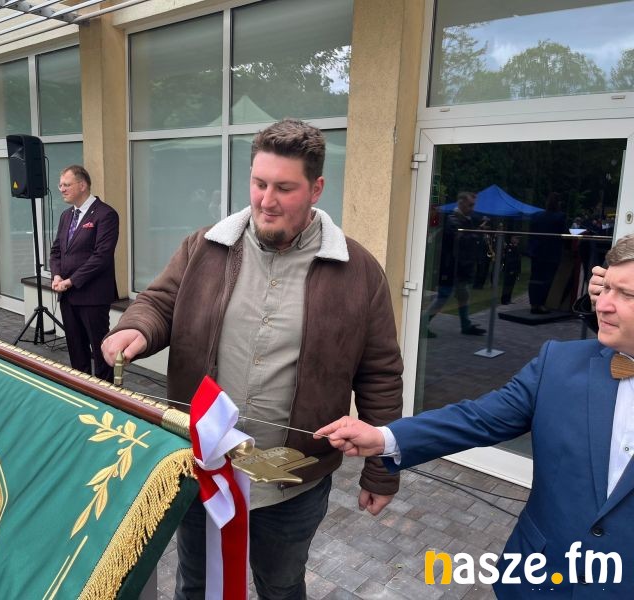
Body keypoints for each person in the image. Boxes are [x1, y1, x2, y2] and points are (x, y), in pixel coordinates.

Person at [101, 119, 403, 599]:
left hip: (291, 484)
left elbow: (380, 374)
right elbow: (159, 302)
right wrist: (135, 327)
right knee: (196, 584)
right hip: (202, 466)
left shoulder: (359, 272)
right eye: (259, 183)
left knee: (280, 587)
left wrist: (383, 470)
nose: (266, 200)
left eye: (284, 188)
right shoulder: (204, 248)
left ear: (316, 189)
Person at [316, 233, 634, 598]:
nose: (602, 305)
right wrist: (383, 438)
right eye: (605, 288)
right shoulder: (559, 363)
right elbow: (478, 418)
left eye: (626, 294)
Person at [50, 165, 119, 382]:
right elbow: (57, 251)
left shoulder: (106, 215)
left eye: (66, 185)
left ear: (82, 185)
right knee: (76, 350)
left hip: (93, 297)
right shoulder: (66, 216)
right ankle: (82, 390)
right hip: (68, 296)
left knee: (100, 351)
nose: (62, 189)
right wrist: (57, 275)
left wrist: (71, 281)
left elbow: (101, 256)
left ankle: (106, 394)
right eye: (60, 185)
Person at [425, 191, 486, 337]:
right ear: (461, 203)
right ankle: (421, 325)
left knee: (463, 295)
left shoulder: (463, 219)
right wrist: (478, 233)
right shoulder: (453, 220)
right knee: (443, 296)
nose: (472, 208)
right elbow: (461, 240)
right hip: (451, 267)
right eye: (470, 205)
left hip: (459, 266)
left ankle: (466, 325)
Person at [527, 192, 567, 314]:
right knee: (547, 279)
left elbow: (532, 232)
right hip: (551, 253)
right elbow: (564, 233)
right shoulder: (560, 217)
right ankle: (541, 304)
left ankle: (533, 304)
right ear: (558, 203)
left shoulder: (536, 216)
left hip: (537, 252)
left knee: (535, 278)